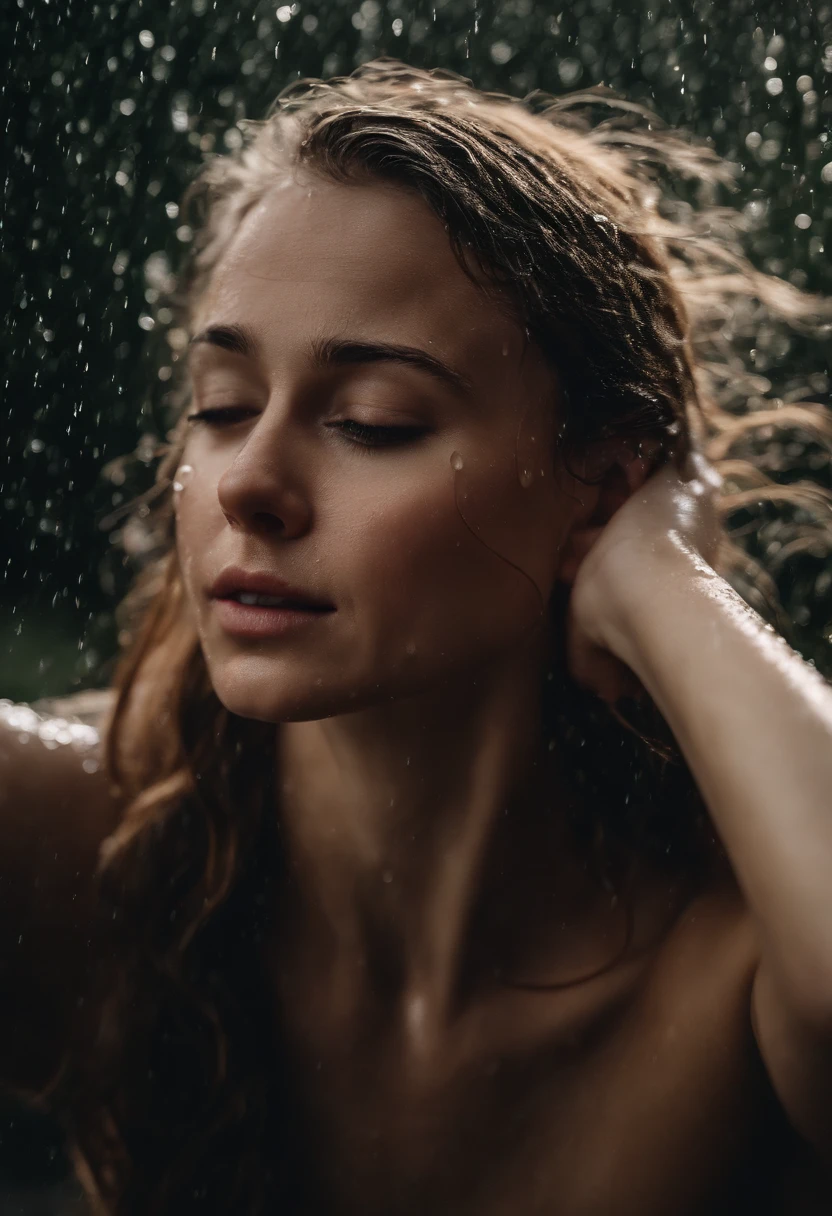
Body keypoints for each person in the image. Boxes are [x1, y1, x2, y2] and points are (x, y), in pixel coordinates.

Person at [2, 56, 832, 1215]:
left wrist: (660, 574)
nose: (249, 482)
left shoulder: (729, 965)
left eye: (370, 422)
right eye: (223, 406)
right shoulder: (93, 850)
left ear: (595, 490)